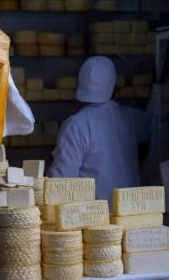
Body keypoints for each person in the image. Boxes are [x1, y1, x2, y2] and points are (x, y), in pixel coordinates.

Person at [49, 56, 152, 210]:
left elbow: (63, 182)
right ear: (115, 85)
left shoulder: (76, 125)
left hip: (95, 220)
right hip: (132, 214)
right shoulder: (134, 118)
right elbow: (158, 131)